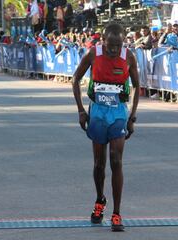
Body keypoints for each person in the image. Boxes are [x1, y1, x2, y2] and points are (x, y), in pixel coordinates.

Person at [72, 23, 139, 232]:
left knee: (116, 161)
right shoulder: (93, 54)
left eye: (118, 45)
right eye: (111, 45)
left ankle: (117, 213)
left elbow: (137, 85)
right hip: (98, 113)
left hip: (118, 113)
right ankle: (100, 200)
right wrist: (81, 110)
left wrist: (132, 116)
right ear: (103, 41)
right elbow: (75, 79)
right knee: (99, 164)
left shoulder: (129, 57)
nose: (114, 50)